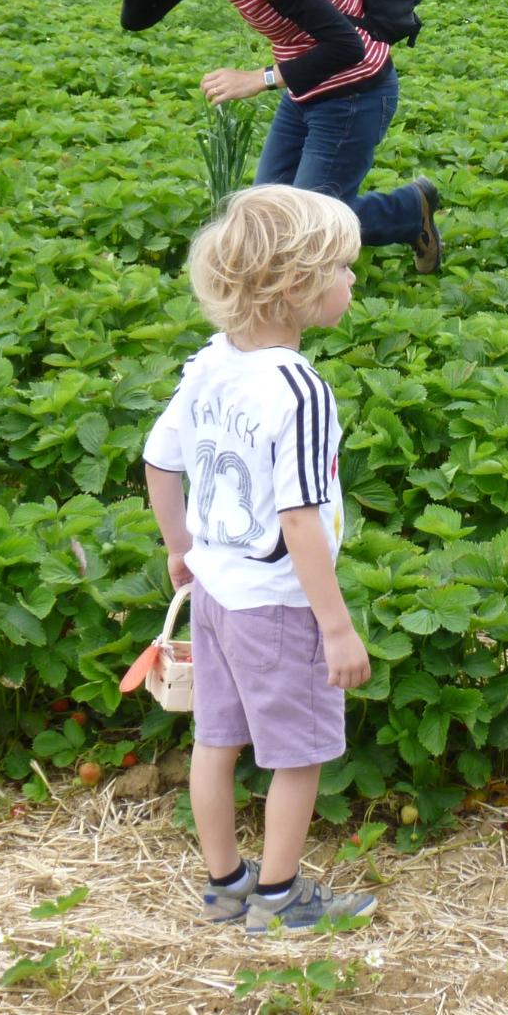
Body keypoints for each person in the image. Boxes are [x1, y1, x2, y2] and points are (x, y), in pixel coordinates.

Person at [142, 185, 376, 934]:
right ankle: (279, 897)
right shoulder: (299, 389)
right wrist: (335, 626)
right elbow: (300, 518)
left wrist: (180, 547)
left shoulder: (211, 365)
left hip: (216, 589)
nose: (352, 282)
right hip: (279, 599)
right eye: (343, 268)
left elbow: (159, 459)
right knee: (296, 752)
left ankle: (224, 884)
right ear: (294, 286)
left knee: (216, 739)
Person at [122, 0, 444, 272]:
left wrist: (259, 78)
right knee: (268, 216)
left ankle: (408, 210)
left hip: (354, 92)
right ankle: (402, 211)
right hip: (306, 87)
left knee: (308, 228)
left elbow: (347, 47)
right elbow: (138, 16)